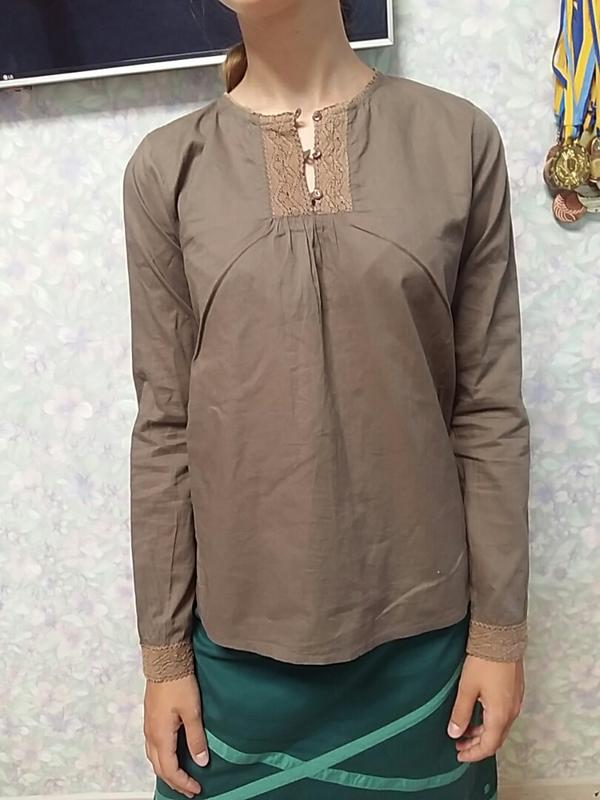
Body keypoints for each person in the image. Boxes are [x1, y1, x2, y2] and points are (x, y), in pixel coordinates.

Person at [121, 1, 531, 798]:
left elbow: (488, 410)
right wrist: (163, 657)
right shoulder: (167, 168)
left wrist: (499, 635)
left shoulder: (457, 142)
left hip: (426, 648)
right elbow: (165, 425)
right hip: (233, 655)